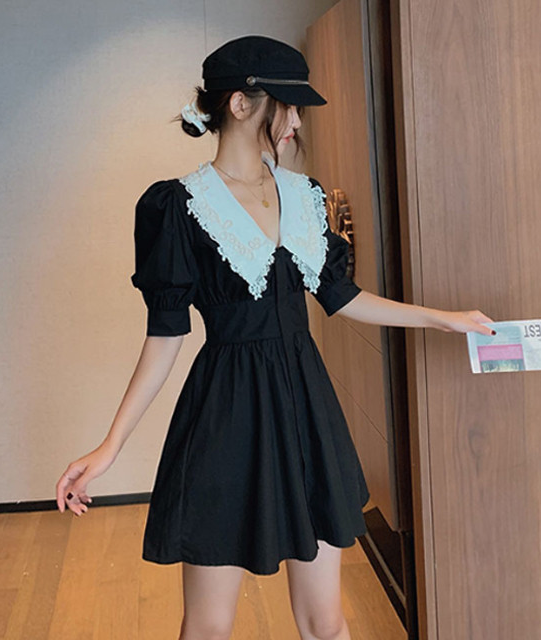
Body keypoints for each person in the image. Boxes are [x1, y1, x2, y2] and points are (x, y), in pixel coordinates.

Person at [56, 35, 495, 640]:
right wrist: (110, 446)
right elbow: (165, 338)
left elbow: (340, 297)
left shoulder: (304, 195)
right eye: (287, 106)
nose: (296, 121)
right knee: (208, 629)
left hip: (307, 411)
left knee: (326, 623)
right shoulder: (180, 206)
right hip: (226, 417)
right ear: (240, 104)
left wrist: (444, 319)